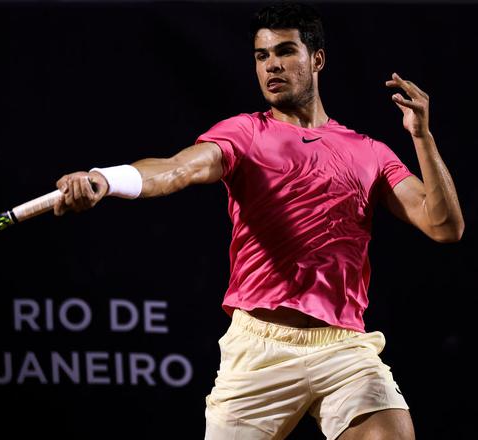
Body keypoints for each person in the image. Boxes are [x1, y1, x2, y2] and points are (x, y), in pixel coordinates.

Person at [53, 3, 464, 439]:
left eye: (285, 52)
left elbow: (444, 226)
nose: (272, 66)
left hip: (343, 348)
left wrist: (422, 137)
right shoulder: (244, 134)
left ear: (317, 59)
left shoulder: (370, 152)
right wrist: (107, 179)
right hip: (259, 351)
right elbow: (178, 168)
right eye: (262, 55)